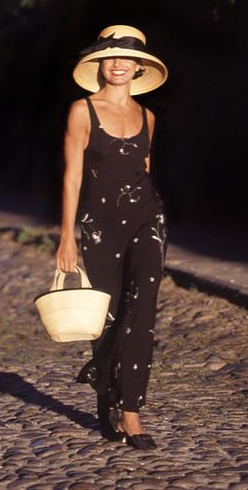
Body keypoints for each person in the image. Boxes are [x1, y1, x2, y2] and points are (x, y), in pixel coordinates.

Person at [55, 25, 168, 449]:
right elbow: (72, 176)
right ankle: (106, 387)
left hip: (148, 221)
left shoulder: (148, 116)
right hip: (99, 227)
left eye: (127, 57)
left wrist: (152, 217)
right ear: (99, 64)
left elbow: (145, 171)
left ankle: (132, 413)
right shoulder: (82, 110)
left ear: (139, 66)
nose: (118, 63)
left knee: (142, 314)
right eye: (110, 56)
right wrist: (67, 236)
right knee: (107, 315)